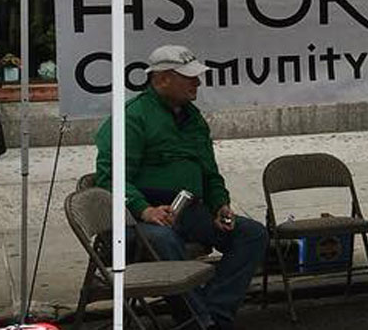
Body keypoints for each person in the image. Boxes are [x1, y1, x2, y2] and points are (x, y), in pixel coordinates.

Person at [94, 45, 268, 330]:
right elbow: (111, 177)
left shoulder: (193, 118)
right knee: (163, 239)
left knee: (252, 235)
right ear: (162, 79)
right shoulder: (132, 117)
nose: (197, 83)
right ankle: (199, 321)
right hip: (139, 216)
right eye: (189, 77)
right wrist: (145, 210)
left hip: (190, 208)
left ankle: (212, 316)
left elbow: (209, 171)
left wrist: (220, 204)